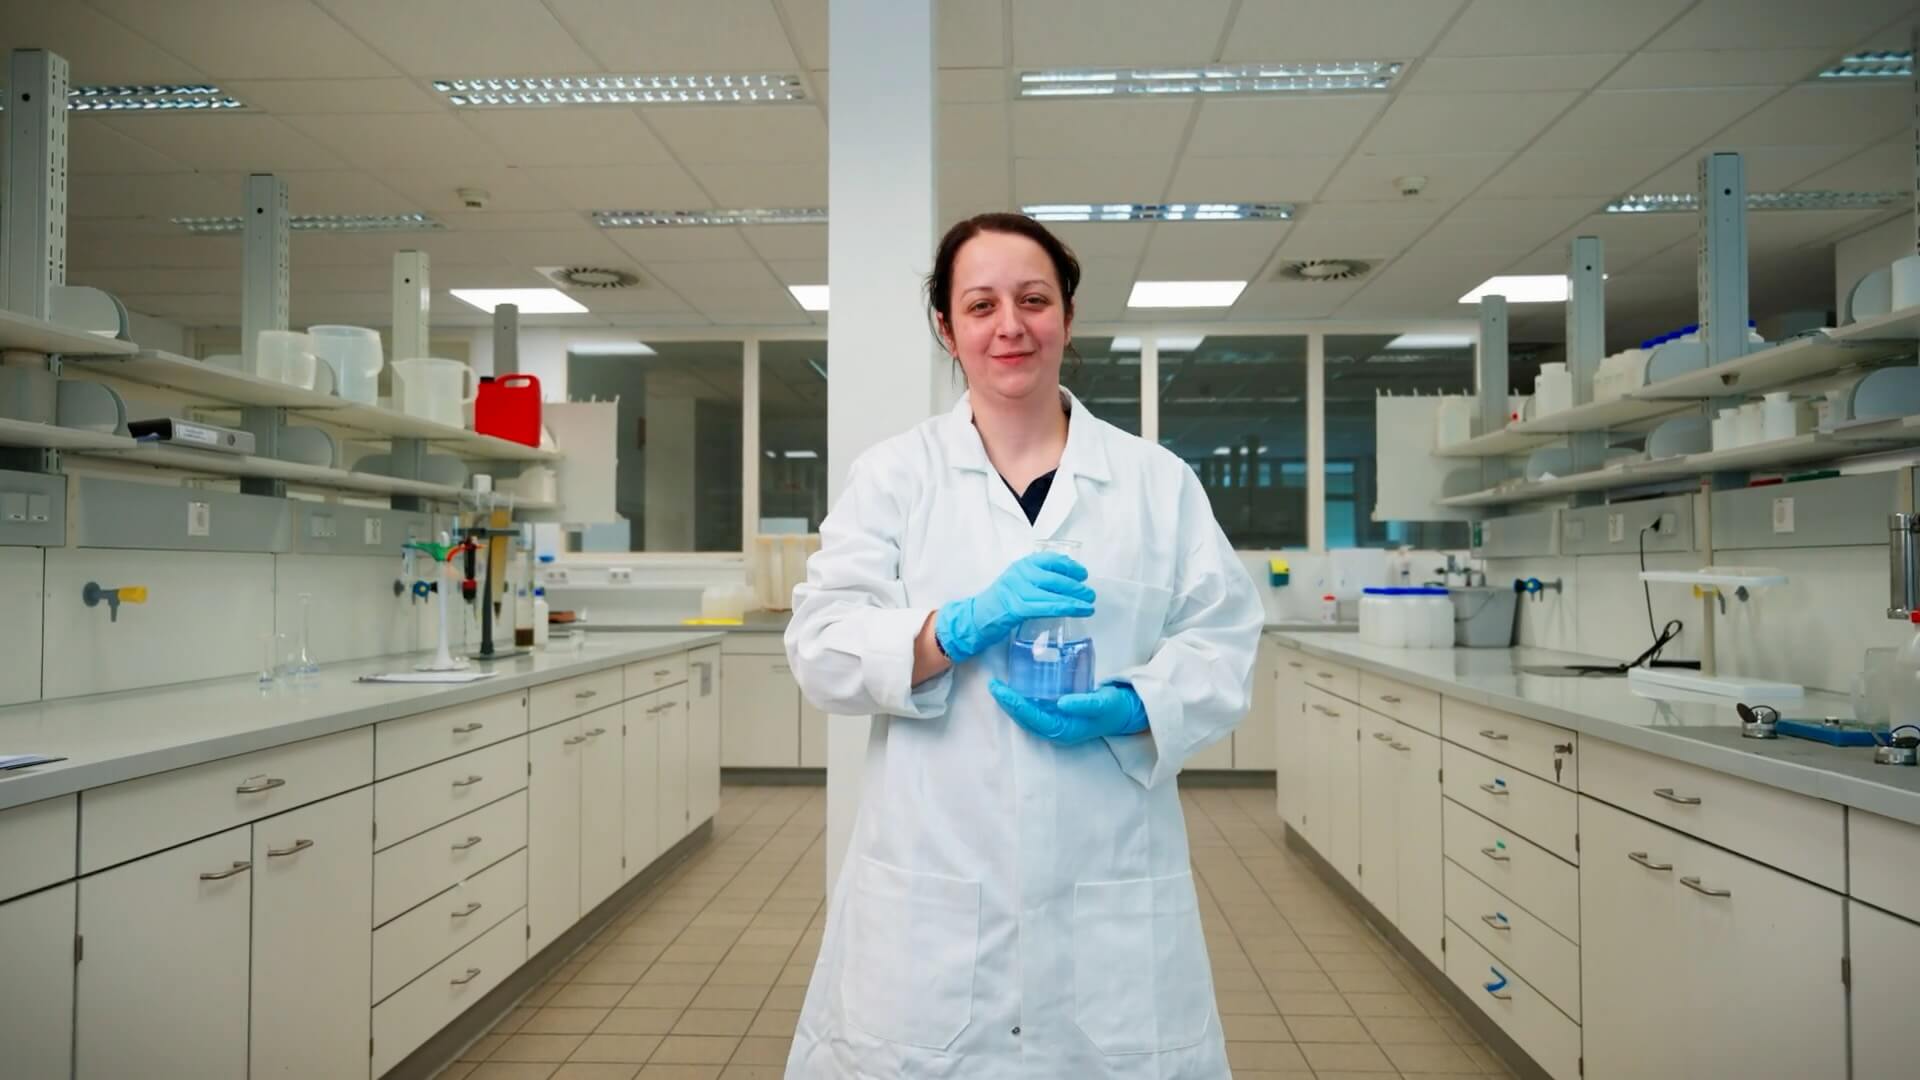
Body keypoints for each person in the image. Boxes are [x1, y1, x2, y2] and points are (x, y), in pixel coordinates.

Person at [782, 212, 1265, 1078]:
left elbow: (1223, 641)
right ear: (947, 329)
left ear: (1068, 318)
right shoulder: (894, 477)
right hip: (934, 878)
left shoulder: (1156, 483)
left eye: (1034, 300)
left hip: (1107, 871)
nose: (1010, 325)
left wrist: (1135, 705)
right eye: (981, 305)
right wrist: (948, 629)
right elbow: (820, 645)